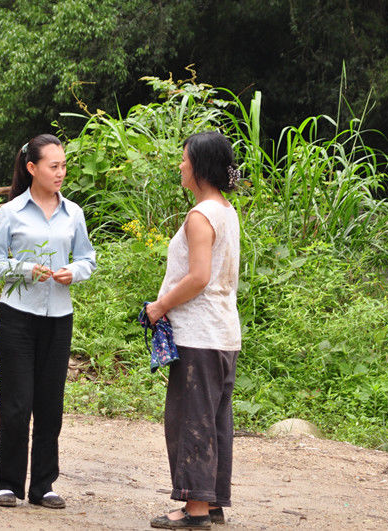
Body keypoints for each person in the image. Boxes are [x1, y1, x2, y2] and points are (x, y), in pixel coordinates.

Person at [0, 134, 96, 509]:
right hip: (17, 317)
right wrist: (26, 269)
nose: (61, 172)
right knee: (17, 403)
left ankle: (44, 485)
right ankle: (8, 483)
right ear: (32, 168)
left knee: (51, 403)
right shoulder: (11, 212)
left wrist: (73, 272)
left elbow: (88, 259)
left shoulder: (73, 213)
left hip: (59, 319)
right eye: (54, 166)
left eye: (64, 165)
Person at [146, 131, 241, 529]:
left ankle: (195, 509)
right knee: (214, 419)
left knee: (191, 419)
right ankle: (212, 501)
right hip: (223, 334)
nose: (180, 166)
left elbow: (199, 276)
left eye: (184, 160)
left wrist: (159, 306)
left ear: (199, 167)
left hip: (199, 335)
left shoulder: (200, 216)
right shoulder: (226, 210)